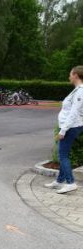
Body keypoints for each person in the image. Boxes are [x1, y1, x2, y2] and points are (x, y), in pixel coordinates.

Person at [44, 65, 83, 194]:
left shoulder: (80, 91)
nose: (69, 76)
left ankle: (71, 183)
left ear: (76, 75)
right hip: (70, 126)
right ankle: (59, 181)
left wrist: (63, 130)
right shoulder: (77, 90)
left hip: (71, 127)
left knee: (63, 155)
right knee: (63, 154)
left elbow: (74, 113)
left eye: (70, 74)